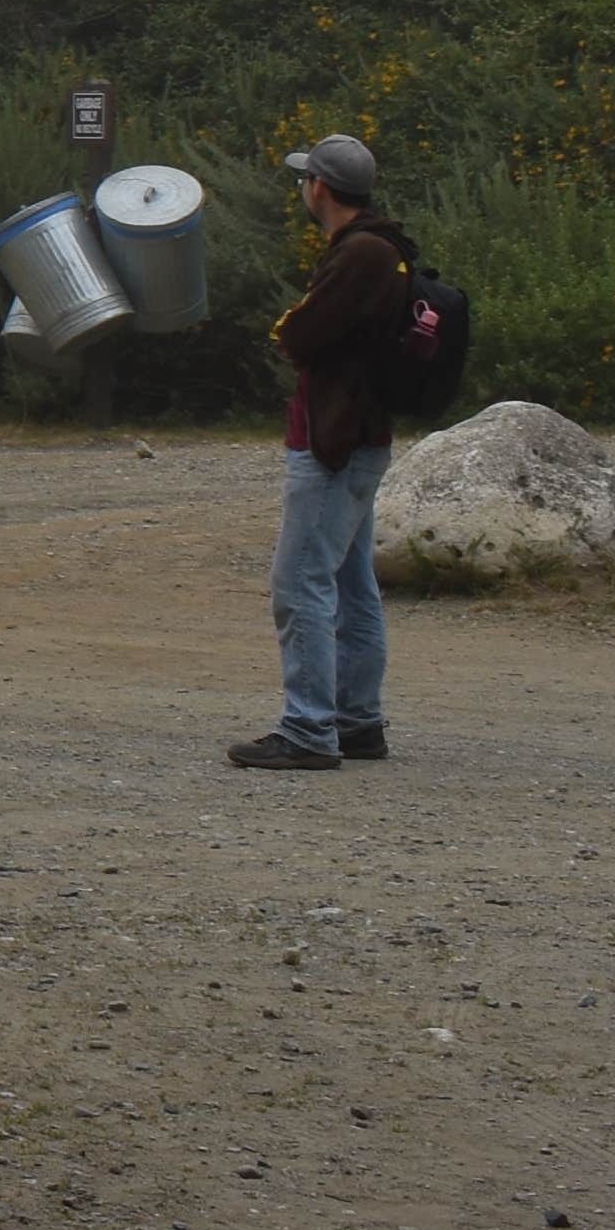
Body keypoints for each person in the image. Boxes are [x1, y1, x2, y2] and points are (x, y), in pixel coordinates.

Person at [237, 132, 415, 773]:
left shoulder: (358, 253)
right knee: (350, 581)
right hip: (362, 438)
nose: (303, 190)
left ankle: (310, 728)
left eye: (305, 180)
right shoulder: (385, 247)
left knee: (300, 581)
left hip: (334, 443)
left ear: (320, 187)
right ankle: (356, 721)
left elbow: (300, 331)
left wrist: (290, 327)